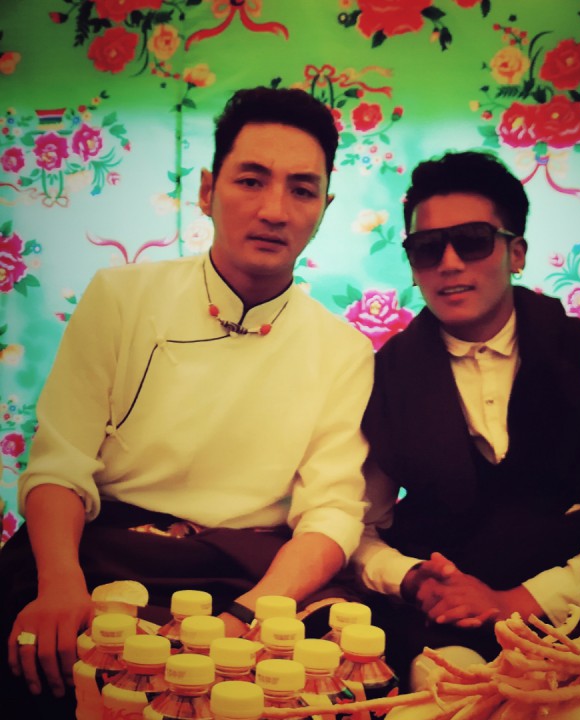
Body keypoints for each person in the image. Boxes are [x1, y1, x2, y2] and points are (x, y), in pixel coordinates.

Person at [0, 87, 373, 716]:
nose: (275, 210)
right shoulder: (121, 297)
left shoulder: (345, 349)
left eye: (302, 190)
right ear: (206, 190)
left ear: (324, 209)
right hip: (107, 552)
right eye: (250, 180)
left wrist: (249, 616)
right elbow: (60, 463)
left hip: (249, 574)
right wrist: (60, 582)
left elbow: (331, 514)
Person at [353, 151, 580, 719]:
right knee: (457, 702)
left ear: (516, 252)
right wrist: (411, 579)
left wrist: (522, 601)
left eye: (472, 241)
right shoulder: (386, 374)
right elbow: (359, 530)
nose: (449, 263)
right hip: (454, 624)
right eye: (427, 248)